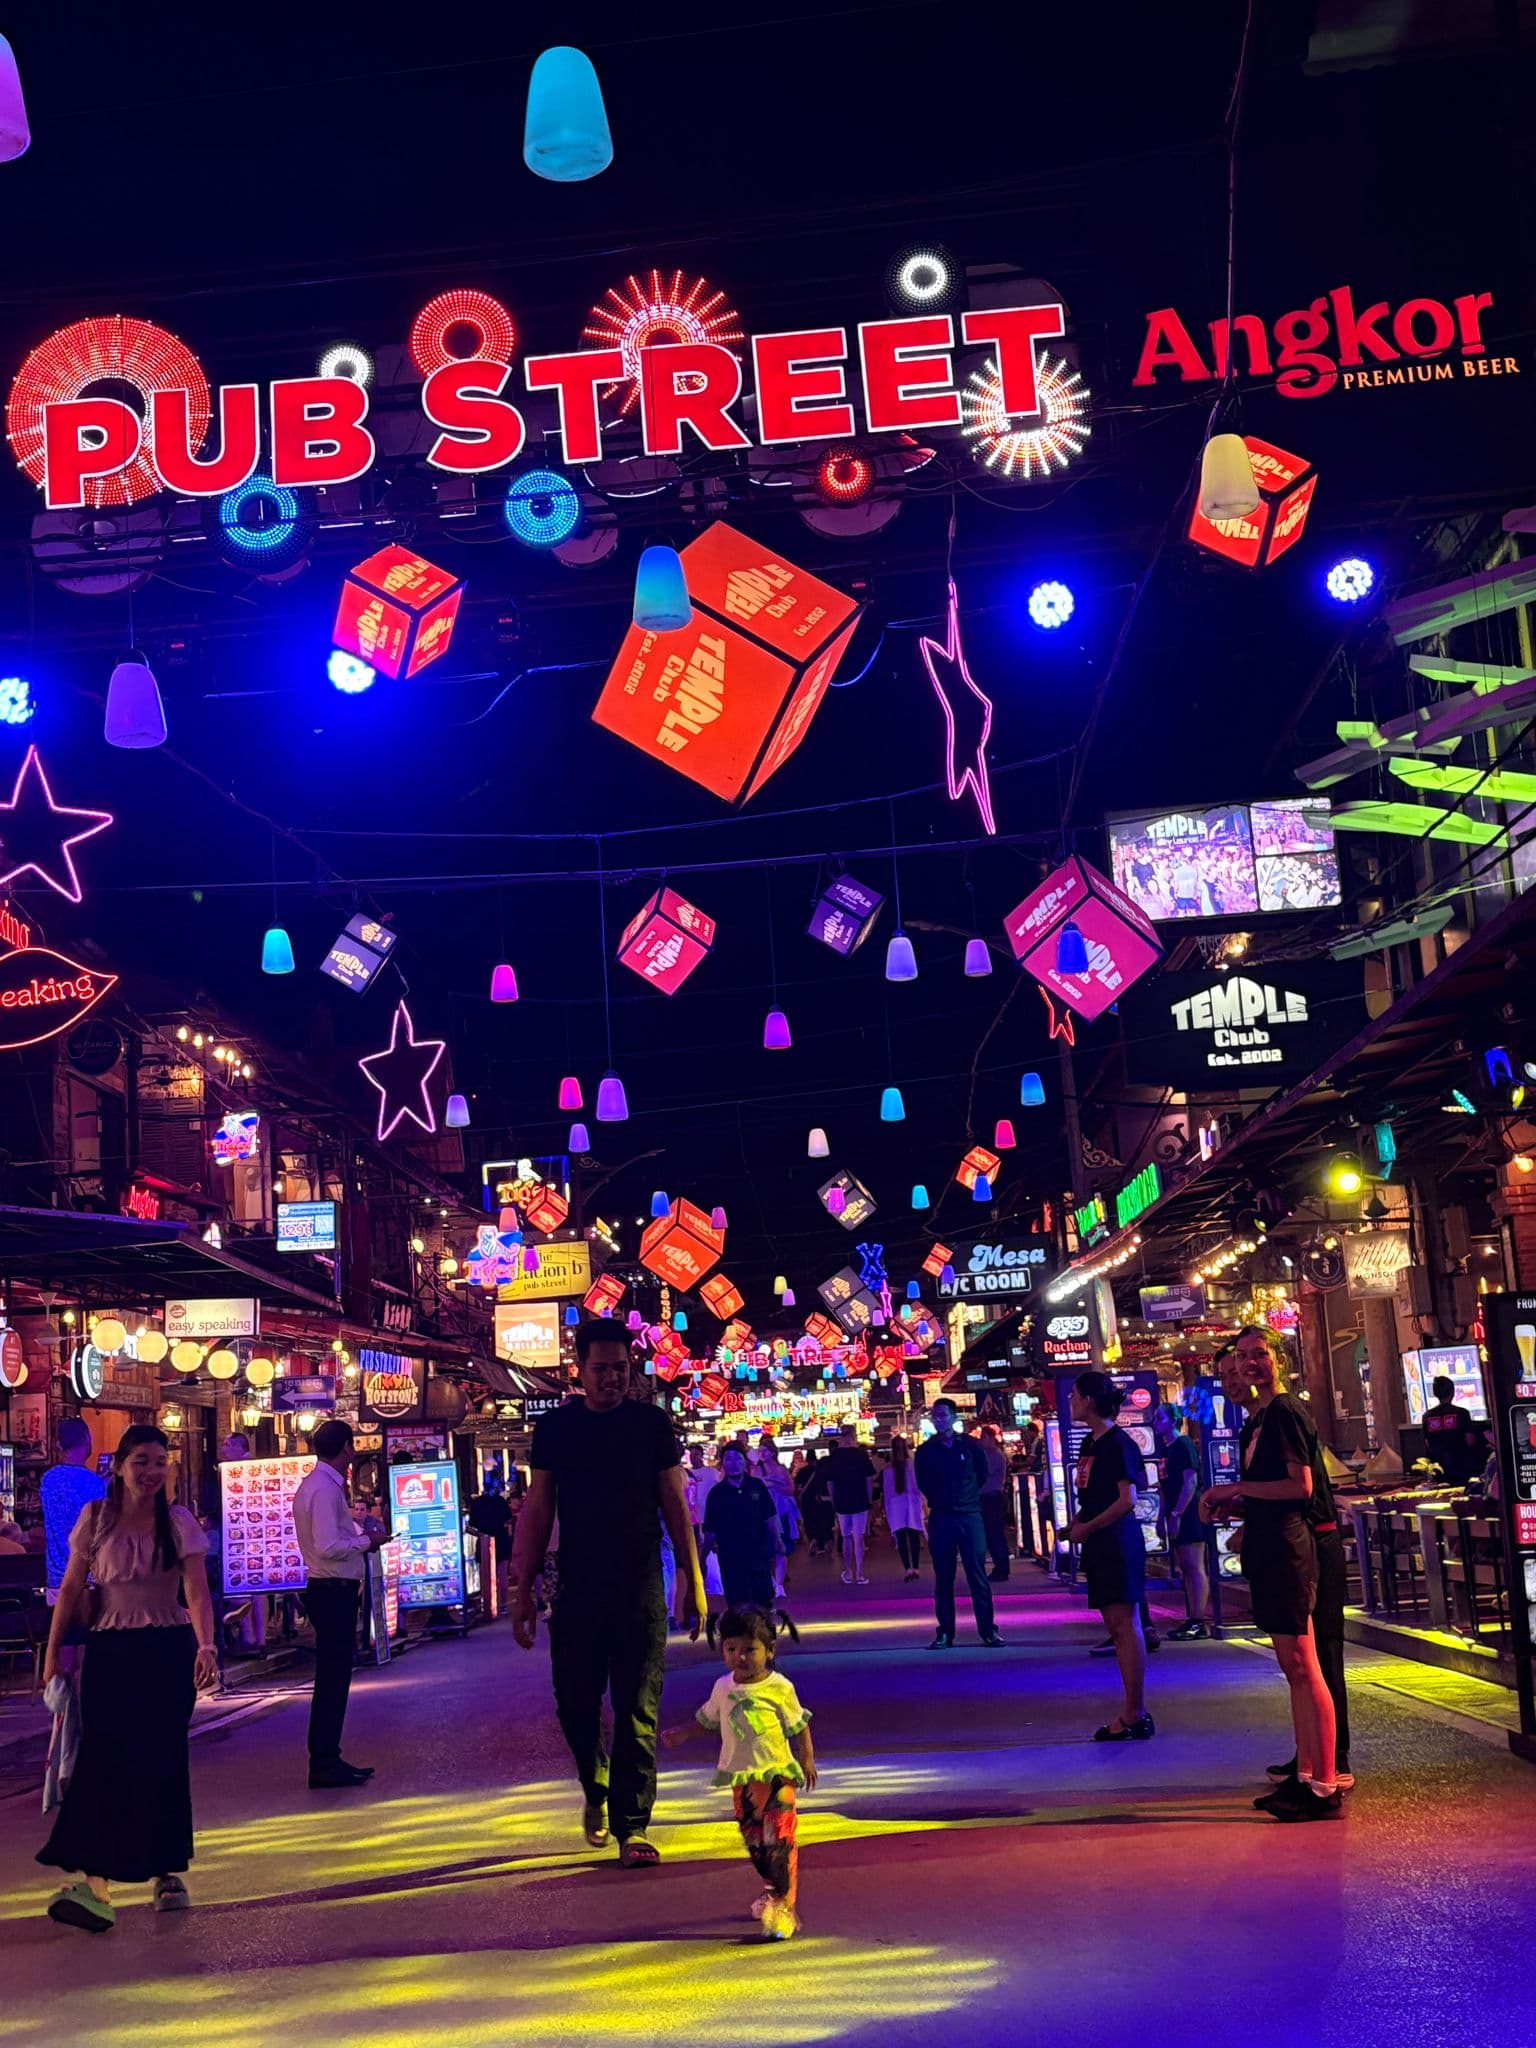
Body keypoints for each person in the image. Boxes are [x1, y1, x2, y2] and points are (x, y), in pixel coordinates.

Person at [512, 1322, 704, 1869]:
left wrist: (692, 1581)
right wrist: (523, 1590)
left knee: (637, 1710)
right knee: (574, 1704)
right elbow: (537, 1510)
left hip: (641, 1586)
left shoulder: (651, 1426)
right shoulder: (556, 1430)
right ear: (580, 1371)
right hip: (576, 1587)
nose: (612, 1378)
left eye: (621, 1368)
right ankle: (595, 1784)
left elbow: (675, 1506)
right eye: (601, 1369)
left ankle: (633, 1825)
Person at [37, 1425, 218, 1931]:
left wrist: (206, 1646)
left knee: (161, 1760)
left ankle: (166, 1874)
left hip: (164, 1651)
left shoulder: (178, 1522)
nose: (151, 1471)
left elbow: (197, 1592)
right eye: (141, 1461)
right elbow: (72, 1589)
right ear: (118, 1466)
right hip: (111, 1652)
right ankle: (96, 1886)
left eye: (160, 1461)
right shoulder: (94, 1519)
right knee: (102, 1762)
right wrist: (52, 1654)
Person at [1203, 1328, 1340, 1821]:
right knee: (1294, 1668)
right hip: (1272, 1546)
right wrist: (1237, 1505)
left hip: (1290, 1549)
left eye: (1259, 1355)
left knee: (1305, 1666)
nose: (1248, 1364)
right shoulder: (1257, 1422)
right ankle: (1307, 1777)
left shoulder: (1282, 1412)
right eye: (1241, 1357)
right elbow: (1272, 1487)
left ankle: (1324, 1783)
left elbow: (1299, 1486)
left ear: (1277, 1360)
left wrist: (1235, 1489)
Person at [663, 1605, 814, 1942]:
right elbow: (708, 1721)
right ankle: (772, 1890)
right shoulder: (722, 1688)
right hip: (742, 1780)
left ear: (770, 1651)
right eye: (732, 1649)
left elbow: (799, 1724)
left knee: (779, 1840)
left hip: (776, 1778)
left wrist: (807, 1760)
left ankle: (785, 1908)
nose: (740, 1657)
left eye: (750, 1650)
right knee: (756, 1844)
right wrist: (684, 1734)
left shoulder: (779, 1687)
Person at [292, 1419, 384, 1790]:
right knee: (332, 1678)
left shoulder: (318, 1485)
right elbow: (329, 1545)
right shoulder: (325, 1489)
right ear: (347, 1447)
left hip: (329, 1587)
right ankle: (325, 1760)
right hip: (331, 1589)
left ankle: (329, 1756)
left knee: (334, 1677)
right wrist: (367, 1542)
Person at [1068, 1372, 1154, 1742]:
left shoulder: (1117, 1444)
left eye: (1074, 1395)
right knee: (1117, 1628)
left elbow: (1127, 1500)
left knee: (1124, 1627)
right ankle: (1133, 1711)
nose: (1070, 1401)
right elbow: (1094, 1496)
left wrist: (1088, 1527)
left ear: (1088, 1400)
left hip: (1116, 1541)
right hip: (1100, 1541)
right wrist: (1077, 1523)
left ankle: (1135, 1712)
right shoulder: (1091, 1443)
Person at [914, 1400, 1004, 1648]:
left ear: (953, 1417)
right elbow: (923, 1481)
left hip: (970, 1515)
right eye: (935, 1416)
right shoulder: (926, 1451)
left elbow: (982, 1474)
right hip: (942, 1516)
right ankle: (945, 1632)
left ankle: (988, 1630)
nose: (939, 1420)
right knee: (944, 1578)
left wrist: (967, 1497)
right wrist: (941, 1499)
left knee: (978, 1575)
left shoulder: (971, 1446)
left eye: (943, 1415)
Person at [1153, 1405, 1213, 1640]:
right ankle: (1192, 1617)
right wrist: (1161, 1518)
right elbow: (1163, 1488)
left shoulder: (1183, 1444)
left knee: (1194, 1564)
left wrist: (1177, 1514)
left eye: (1160, 1418)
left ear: (1173, 1420)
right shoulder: (1164, 1450)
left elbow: (1190, 1481)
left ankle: (1198, 1620)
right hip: (1175, 1510)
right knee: (1185, 1567)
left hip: (1189, 1511)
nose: (1156, 1422)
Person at [703, 1445, 782, 1610]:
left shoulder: (756, 1486)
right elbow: (710, 1530)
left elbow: (770, 1516)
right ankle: (740, 1635)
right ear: (722, 1462)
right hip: (730, 1557)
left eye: (738, 1458)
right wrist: (703, 1556)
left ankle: (765, 1634)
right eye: (728, 1459)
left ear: (744, 1462)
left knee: (763, 1600)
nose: (733, 1463)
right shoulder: (716, 1494)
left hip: (758, 1553)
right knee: (737, 1603)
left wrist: (777, 1540)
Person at [823, 1425, 875, 1585]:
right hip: (860, 1499)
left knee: (845, 1536)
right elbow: (869, 1480)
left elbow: (830, 1482)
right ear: (853, 1436)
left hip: (841, 1501)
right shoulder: (861, 1455)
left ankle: (848, 1571)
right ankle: (859, 1573)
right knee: (858, 1537)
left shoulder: (833, 1457)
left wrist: (833, 1500)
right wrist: (869, 1498)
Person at [1421, 1375, 1488, 1489]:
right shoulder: (1462, 1413)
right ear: (1452, 1392)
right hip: (1461, 1468)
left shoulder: (1427, 1416)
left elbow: (1427, 1443)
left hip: (1438, 1470)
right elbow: (1470, 1441)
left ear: (1435, 1393)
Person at [756, 1441, 799, 1598]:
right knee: (765, 1550)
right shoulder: (755, 1470)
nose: (762, 1453)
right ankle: (772, 1581)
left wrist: (773, 1485)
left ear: (772, 1452)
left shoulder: (781, 1470)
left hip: (780, 1513)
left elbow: (790, 1490)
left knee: (782, 1549)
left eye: (765, 1450)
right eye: (760, 1450)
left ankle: (779, 1584)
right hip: (762, 1515)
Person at [466, 1476, 514, 1611]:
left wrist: (481, 1533)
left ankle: (486, 1604)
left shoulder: (477, 1503)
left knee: (485, 1575)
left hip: (484, 1540)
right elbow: (508, 1521)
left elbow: (472, 1525)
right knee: (503, 1573)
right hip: (501, 1539)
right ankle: (503, 1604)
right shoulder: (501, 1501)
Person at [882, 1436, 924, 1579]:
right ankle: (916, 1568)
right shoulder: (913, 1465)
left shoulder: (888, 1469)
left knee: (901, 1539)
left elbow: (887, 1492)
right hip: (912, 1503)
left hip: (896, 1506)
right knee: (913, 1537)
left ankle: (907, 1569)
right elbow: (919, 1487)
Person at [977, 1424, 1011, 1581]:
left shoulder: (995, 1455)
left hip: (992, 1498)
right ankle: (1000, 1567)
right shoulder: (986, 1454)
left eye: (983, 1437)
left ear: (991, 1438)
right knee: (991, 1535)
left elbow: (982, 1473)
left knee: (995, 1535)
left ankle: (1002, 1569)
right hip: (986, 1498)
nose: (981, 1441)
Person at [795, 1446, 835, 1556]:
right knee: (822, 1521)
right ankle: (824, 1542)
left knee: (809, 1521)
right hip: (821, 1500)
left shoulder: (802, 1471)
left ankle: (813, 1539)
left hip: (807, 1500)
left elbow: (796, 1486)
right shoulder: (822, 1471)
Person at [684, 1442, 719, 1549]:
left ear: (701, 1455)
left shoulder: (712, 1472)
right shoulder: (686, 1474)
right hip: (693, 1518)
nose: (693, 1458)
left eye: (696, 1455)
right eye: (691, 1455)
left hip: (709, 1516)